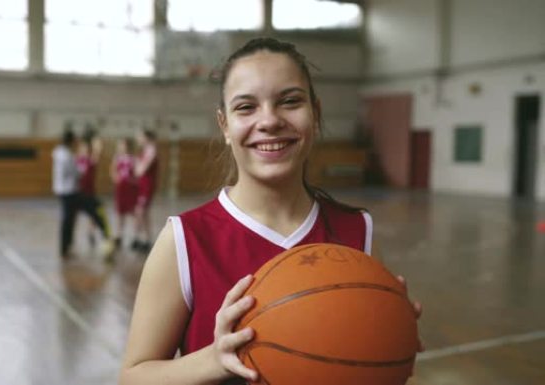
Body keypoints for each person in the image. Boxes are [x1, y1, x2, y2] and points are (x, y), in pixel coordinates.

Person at [119, 37, 423, 384]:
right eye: (246, 107)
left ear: (316, 113)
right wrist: (213, 359)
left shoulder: (358, 231)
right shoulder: (185, 240)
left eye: (290, 101)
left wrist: (391, 338)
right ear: (225, 126)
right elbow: (132, 378)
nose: (270, 120)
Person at [75, 127, 116, 261]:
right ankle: (75, 239)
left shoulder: (90, 160)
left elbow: (97, 152)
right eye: (83, 148)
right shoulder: (77, 160)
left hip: (90, 195)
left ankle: (96, 235)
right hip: (78, 195)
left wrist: (97, 143)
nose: (85, 150)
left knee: (96, 215)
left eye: (87, 148)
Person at [52, 127, 80, 261]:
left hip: (62, 190)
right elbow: (74, 172)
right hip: (68, 191)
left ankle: (67, 248)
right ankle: (65, 250)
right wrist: (81, 171)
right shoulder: (66, 155)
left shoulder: (59, 153)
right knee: (67, 222)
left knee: (68, 220)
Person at [131, 128, 158, 253]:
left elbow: (140, 170)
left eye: (140, 137)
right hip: (141, 186)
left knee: (140, 212)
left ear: (147, 138)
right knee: (143, 213)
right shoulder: (144, 151)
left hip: (147, 186)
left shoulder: (151, 150)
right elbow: (137, 169)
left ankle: (140, 238)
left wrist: (139, 167)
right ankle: (146, 239)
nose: (138, 139)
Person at [111, 137, 139, 248]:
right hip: (120, 189)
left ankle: (135, 236)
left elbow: (137, 173)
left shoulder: (134, 159)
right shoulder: (117, 158)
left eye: (124, 145)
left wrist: (134, 180)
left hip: (131, 189)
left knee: (134, 214)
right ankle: (119, 235)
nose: (122, 147)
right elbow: (112, 170)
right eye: (120, 145)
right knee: (120, 213)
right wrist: (115, 177)